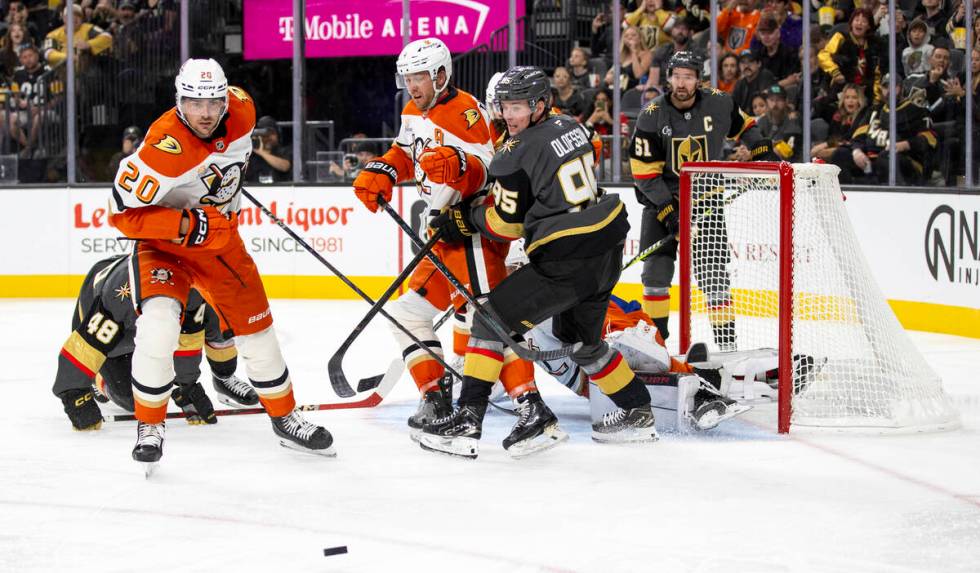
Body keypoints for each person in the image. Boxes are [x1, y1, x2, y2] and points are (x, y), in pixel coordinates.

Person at [109, 58, 334, 470]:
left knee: (259, 331)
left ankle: (285, 418)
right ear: (179, 101)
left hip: (221, 242)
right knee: (159, 327)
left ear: (227, 97)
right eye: (195, 103)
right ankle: (150, 425)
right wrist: (183, 222)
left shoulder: (243, 109)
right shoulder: (162, 149)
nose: (207, 113)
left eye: (214, 101)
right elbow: (120, 214)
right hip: (165, 247)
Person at [423, 65, 654, 457]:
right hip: (607, 250)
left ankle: (467, 419)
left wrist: (465, 219)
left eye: (518, 106)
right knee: (582, 343)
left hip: (568, 259)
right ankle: (637, 410)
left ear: (540, 104)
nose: (508, 115)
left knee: (488, 319)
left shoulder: (513, 155)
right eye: (504, 106)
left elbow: (505, 225)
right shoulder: (571, 126)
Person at [350, 38, 538, 446]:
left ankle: (531, 407)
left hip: (470, 234)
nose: (411, 85)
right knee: (406, 313)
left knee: (488, 323)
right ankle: (435, 397)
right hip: (440, 236)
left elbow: (492, 173)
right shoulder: (412, 109)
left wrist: (459, 167)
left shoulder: (466, 113)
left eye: (418, 77)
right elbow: (404, 151)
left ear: (440, 74)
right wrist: (383, 169)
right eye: (407, 77)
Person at [628, 51, 774, 351]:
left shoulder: (720, 102)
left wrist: (759, 146)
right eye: (677, 76)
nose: (681, 83)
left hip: (706, 201)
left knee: (714, 277)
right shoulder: (651, 114)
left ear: (699, 80)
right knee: (655, 275)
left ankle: (728, 347)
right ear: (668, 78)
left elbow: (746, 125)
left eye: (688, 77)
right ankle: (657, 347)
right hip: (661, 205)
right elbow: (644, 174)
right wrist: (670, 212)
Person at [53, 255, 259, 431]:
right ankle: (98, 380)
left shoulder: (192, 290)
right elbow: (85, 347)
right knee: (132, 401)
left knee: (212, 316)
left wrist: (186, 385)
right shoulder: (119, 301)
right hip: (111, 330)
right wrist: (74, 395)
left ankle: (224, 378)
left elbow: (188, 337)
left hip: (146, 311)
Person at [849, 74, 938, 184]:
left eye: (893, 86)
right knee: (841, 154)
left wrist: (904, 145)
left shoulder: (916, 111)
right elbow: (857, 137)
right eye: (886, 87)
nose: (889, 91)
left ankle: (899, 195)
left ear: (901, 88)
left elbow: (930, 139)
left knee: (886, 157)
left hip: (905, 162)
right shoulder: (874, 111)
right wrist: (857, 151)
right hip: (870, 162)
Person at [818, 8, 881, 103]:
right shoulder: (840, 37)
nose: (859, 23)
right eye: (856, 20)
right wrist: (835, 72)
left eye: (863, 21)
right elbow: (823, 55)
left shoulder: (874, 44)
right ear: (851, 23)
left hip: (865, 93)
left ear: (868, 26)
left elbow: (877, 72)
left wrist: (876, 98)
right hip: (841, 89)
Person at [8, 42, 48, 158]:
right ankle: (30, 147)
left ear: (36, 55)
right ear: (20, 59)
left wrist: (41, 108)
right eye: (24, 57)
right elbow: (15, 96)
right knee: (11, 119)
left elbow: (59, 96)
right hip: (25, 111)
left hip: (46, 110)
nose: (28, 60)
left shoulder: (49, 71)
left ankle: (27, 150)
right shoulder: (18, 74)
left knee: (39, 116)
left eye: (30, 56)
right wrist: (19, 102)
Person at [42, 4, 112, 68]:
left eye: (78, 15)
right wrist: (68, 57)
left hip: (87, 70)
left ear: (82, 19)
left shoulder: (88, 28)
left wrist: (89, 44)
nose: (74, 18)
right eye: (70, 15)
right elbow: (48, 53)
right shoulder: (53, 35)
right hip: (62, 72)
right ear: (64, 18)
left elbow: (107, 37)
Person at [757, 84, 803, 161]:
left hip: (790, 165)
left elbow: (787, 151)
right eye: (771, 100)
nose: (775, 104)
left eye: (779, 100)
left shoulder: (792, 119)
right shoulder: (762, 121)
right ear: (767, 102)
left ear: (786, 101)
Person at [245, 115, 291, 183]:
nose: (268, 138)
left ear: (278, 134)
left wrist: (262, 153)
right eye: (264, 135)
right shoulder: (252, 155)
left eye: (271, 134)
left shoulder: (283, 151)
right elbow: (242, 172)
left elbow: (285, 166)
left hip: (279, 191)